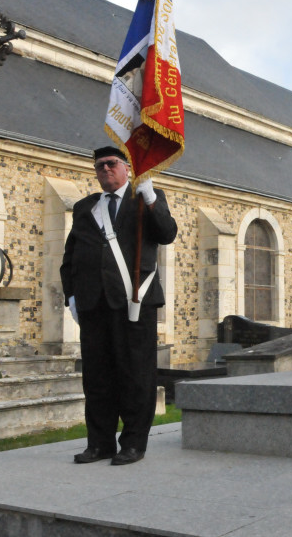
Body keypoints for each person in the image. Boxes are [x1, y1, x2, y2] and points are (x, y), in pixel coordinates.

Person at [61, 146, 178, 466]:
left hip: (134, 300)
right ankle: (99, 443)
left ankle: (133, 443)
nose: (105, 170)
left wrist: (151, 199)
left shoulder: (146, 198)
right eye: (99, 166)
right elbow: (71, 256)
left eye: (111, 164)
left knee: (135, 375)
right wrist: (70, 294)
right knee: (97, 377)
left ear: (127, 168)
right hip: (93, 304)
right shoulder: (86, 207)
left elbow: (167, 234)